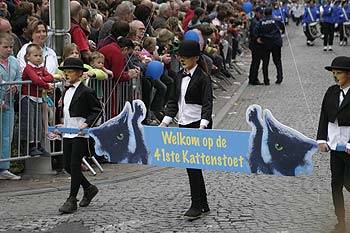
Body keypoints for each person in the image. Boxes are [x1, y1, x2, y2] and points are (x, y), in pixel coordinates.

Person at [160, 40, 213, 219]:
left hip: (198, 125)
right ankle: (203, 202)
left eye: (186, 57)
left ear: (196, 58)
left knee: (193, 166)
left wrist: (203, 126)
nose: (182, 60)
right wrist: (165, 122)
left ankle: (196, 204)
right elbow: (173, 102)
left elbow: (207, 103)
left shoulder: (203, 77)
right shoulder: (178, 76)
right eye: (180, 57)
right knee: (191, 166)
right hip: (183, 124)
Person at [56, 57, 102, 214]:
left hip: (80, 134)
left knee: (75, 165)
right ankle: (89, 188)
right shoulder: (66, 90)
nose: (67, 75)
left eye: (70, 72)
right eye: (66, 72)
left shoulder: (86, 91)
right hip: (69, 132)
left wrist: (87, 123)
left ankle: (71, 199)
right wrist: (63, 125)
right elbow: (68, 112)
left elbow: (97, 110)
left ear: (80, 73)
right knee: (68, 166)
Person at [317, 56, 350, 233]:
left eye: (339, 73)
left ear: (349, 74)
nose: (335, 76)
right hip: (335, 146)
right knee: (336, 184)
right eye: (334, 73)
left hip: (349, 147)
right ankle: (341, 222)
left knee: (349, 184)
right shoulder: (331, 92)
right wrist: (321, 139)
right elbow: (323, 116)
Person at [20, 43, 54, 156]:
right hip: (28, 97)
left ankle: (38, 144)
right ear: (28, 57)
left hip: (38, 98)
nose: (38, 58)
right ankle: (31, 145)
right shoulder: (28, 68)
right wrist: (46, 85)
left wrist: (41, 79)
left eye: (40, 55)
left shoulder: (41, 68)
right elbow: (35, 80)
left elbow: (50, 77)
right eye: (35, 55)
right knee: (30, 122)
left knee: (38, 122)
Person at [0, 32, 21, 180]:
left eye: (11, 47)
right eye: (5, 47)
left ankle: (4, 167)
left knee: (7, 135)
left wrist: (16, 86)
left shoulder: (13, 61)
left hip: (9, 103)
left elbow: (19, 77)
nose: (8, 50)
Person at [254, 7, 283, 85]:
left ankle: (266, 80)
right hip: (276, 42)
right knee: (277, 61)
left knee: (265, 62)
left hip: (265, 43)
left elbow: (255, 31)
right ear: (271, 12)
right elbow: (282, 27)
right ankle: (279, 77)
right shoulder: (276, 20)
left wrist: (258, 38)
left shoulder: (261, 21)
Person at [248, 6, 264, 85]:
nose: (261, 15)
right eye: (260, 13)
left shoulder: (257, 20)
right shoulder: (255, 22)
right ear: (256, 13)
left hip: (255, 44)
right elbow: (254, 34)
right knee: (255, 62)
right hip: (255, 45)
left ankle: (253, 78)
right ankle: (253, 79)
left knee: (255, 62)